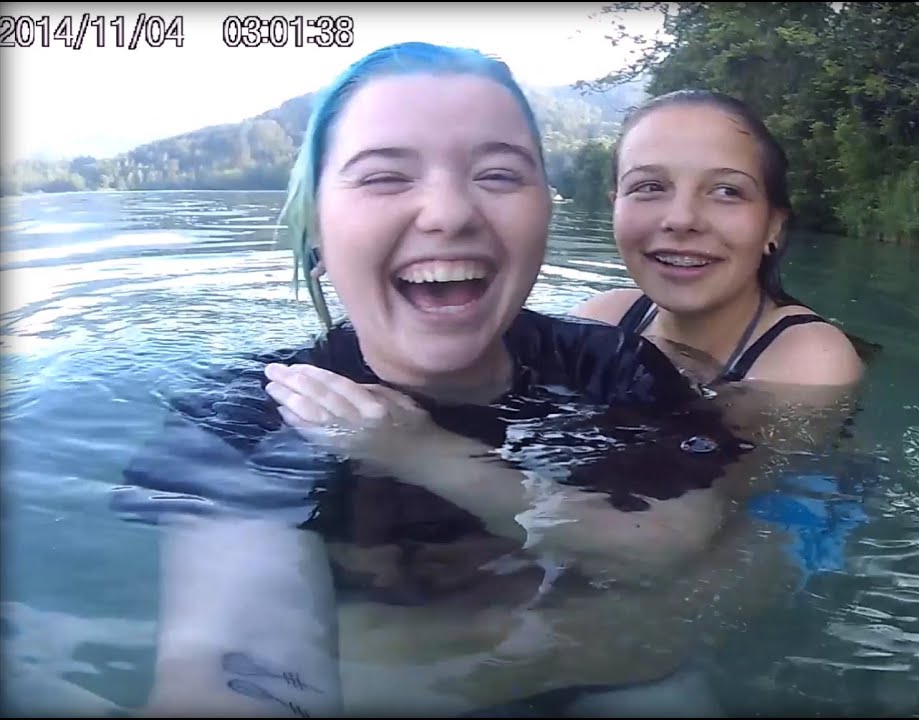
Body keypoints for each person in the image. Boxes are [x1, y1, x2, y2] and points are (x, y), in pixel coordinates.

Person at [111, 42, 799, 718]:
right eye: (384, 176)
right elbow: (241, 665)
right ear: (316, 228)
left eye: (498, 175)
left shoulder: (614, 370)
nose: (449, 213)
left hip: (594, 673)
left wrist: (426, 455)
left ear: (545, 213)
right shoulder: (251, 417)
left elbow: (698, 546)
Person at [571, 89, 876, 399]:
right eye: (649, 186)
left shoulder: (811, 363)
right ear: (615, 207)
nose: (681, 219)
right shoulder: (602, 318)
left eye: (727, 191)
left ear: (774, 226)